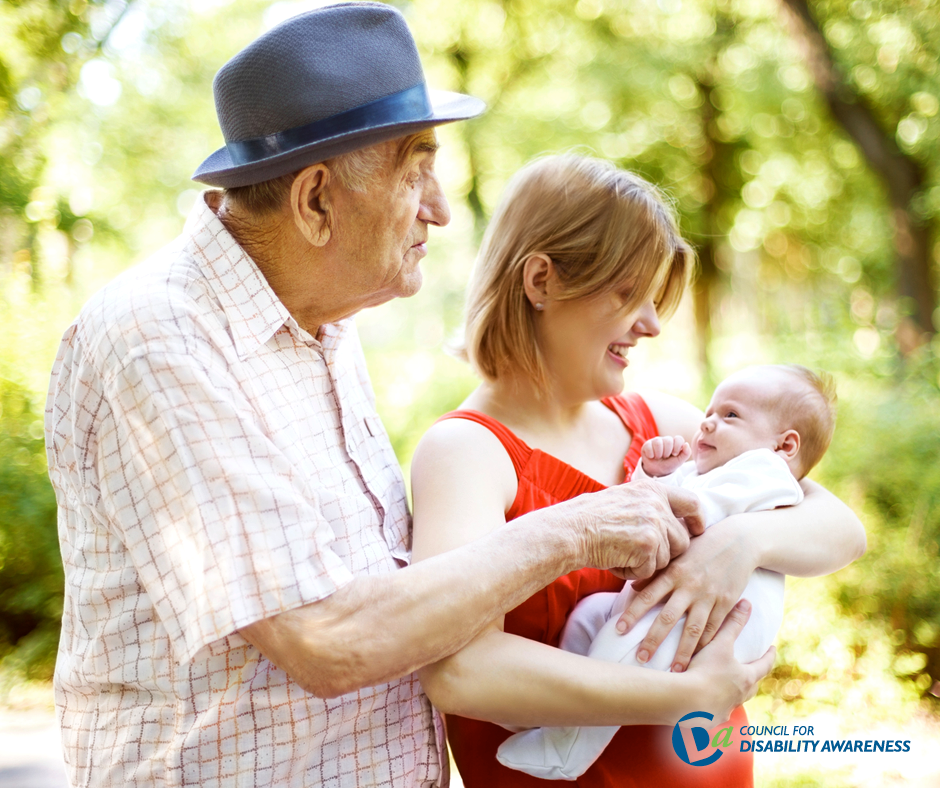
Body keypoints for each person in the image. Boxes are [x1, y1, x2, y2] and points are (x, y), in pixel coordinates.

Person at [43, 6, 777, 788]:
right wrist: (578, 530)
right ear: (317, 200)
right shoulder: (165, 338)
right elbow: (326, 640)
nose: (440, 207)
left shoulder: (323, 324)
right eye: (415, 168)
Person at [410, 154, 866, 787]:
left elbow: (841, 528)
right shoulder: (466, 453)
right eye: (629, 293)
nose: (651, 324)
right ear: (540, 281)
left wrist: (742, 542)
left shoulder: (661, 423)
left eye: (655, 299)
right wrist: (686, 696)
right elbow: (462, 672)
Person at [497, 364, 837, 780]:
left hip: (706, 622)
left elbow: (695, 511)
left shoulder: (765, 475)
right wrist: (653, 475)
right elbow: (646, 503)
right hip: (670, 603)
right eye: (710, 409)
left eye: (730, 415)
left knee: (622, 640)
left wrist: (663, 504)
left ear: (785, 445)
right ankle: (554, 714)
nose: (708, 420)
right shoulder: (708, 470)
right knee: (591, 614)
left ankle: (567, 749)